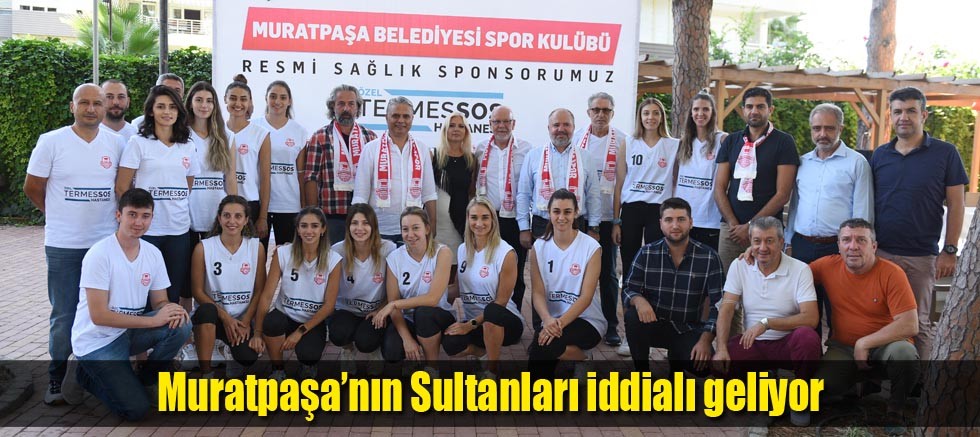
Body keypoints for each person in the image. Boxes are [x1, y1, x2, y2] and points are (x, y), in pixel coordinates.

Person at [24, 83, 126, 405]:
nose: (91, 109)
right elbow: (32, 187)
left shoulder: (117, 143)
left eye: (97, 103)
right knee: (64, 314)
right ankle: (56, 378)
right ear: (73, 107)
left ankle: (89, 376)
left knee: (106, 313)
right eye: (84, 103)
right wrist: (56, 214)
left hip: (105, 244)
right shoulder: (51, 141)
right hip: (64, 245)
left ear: (104, 107)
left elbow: (122, 187)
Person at [61, 188, 192, 421]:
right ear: (118, 215)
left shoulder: (153, 253)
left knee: (181, 325)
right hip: (97, 342)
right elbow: (99, 316)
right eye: (132, 214)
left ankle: (148, 380)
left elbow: (160, 300)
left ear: (151, 218)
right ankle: (83, 373)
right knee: (136, 410)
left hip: (128, 333)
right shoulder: (100, 254)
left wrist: (171, 310)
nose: (138, 222)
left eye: (145, 216)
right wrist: (154, 320)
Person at [871, 86, 967, 359]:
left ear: (923, 115)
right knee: (879, 319)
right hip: (881, 254)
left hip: (922, 257)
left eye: (911, 111)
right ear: (891, 116)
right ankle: (879, 378)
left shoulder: (946, 153)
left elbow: (957, 204)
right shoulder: (880, 155)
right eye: (898, 111)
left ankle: (923, 383)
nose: (904, 117)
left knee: (920, 324)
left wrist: (950, 250)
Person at [811, 219, 918, 432]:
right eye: (846, 240)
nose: (853, 246)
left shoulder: (892, 273)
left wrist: (865, 343)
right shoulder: (826, 266)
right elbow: (791, 274)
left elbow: (910, 324)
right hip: (843, 346)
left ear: (874, 246)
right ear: (838, 245)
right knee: (825, 385)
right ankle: (854, 389)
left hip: (886, 345)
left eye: (861, 240)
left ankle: (895, 410)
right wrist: (756, 251)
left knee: (905, 354)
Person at [713, 216, 821, 426]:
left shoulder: (800, 269)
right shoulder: (740, 265)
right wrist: (721, 348)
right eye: (757, 241)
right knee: (720, 366)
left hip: (788, 343)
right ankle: (765, 387)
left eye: (770, 241)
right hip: (753, 344)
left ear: (781, 242)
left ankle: (801, 399)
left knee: (808, 338)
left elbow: (811, 318)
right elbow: (726, 309)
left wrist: (767, 323)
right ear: (750, 242)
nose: (763, 247)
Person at [785, 103, 873, 336]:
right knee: (804, 312)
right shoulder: (802, 163)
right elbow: (795, 205)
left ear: (840, 129)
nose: (822, 134)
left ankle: (838, 355)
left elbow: (862, 212)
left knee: (840, 312)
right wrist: (788, 240)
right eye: (817, 128)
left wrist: (857, 248)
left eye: (829, 128)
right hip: (802, 246)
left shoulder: (856, 163)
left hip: (838, 248)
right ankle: (809, 356)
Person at [116, 85, 200, 309]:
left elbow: (187, 183)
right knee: (142, 292)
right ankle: (142, 332)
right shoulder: (138, 142)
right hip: (148, 231)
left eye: (172, 107)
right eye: (161, 106)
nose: (167, 112)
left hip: (178, 229)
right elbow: (122, 187)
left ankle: (166, 332)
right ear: (151, 111)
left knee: (171, 292)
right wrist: (137, 219)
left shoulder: (187, 146)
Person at [621, 198, 722, 375]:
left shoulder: (709, 257)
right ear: (661, 224)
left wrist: (705, 340)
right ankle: (641, 373)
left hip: (687, 328)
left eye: (681, 219)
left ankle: (676, 369)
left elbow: (719, 304)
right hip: (654, 324)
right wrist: (638, 300)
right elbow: (629, 288)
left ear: (691, 222)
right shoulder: (646, 253)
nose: (675, 225)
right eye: (669, 220)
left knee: (704, 367)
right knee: (633, 317)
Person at [612, 97, 679, 355]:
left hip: (658, 212)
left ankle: (652, 332)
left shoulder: (673, 145)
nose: (650, 117)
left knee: (656, 271)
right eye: (646, 113)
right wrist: (616, 220)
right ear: (639, 117)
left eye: (655, 113)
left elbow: (677, 180)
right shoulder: (628, 143)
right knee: (630, 270)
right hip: (631, 211)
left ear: (662, 117)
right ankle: (630, 335)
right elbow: (619, 184)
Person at [713, 87, 800, 273]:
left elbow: (783, 194)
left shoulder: (784, 142)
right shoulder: (731, 141)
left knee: (767, 281)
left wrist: (751, 226)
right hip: (731, 229)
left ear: (770, 109)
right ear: (743, 109)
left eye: (760, 106)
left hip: (768, 230)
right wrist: (734, 225)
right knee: (728, 280)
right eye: (749, 106)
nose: (754, 111)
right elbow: (719, 187)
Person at [253, 207, 342, 380]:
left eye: (314, 226)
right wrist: (257, 332)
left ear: (323, 229)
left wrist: (300, 331)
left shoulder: (333, 259)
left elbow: (329, 306)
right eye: (304, 226)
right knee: (271, 323)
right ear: (298, 229)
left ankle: (307, 365)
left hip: (311, 320)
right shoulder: (283, 253)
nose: (309, 231)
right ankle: (278, 369)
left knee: (309, 355)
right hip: (285, 314)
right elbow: (267, 295)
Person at [442, 198, 525, 379]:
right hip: (475, 323)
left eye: (485, 217)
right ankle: (483, 354)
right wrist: (432, 297)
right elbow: (457, 288)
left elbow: (500, 302)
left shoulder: (506, 253)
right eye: (474, 217)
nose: (479, 223)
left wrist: (468, 325)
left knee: (492, 312)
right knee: (451, 344)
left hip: (505, 321)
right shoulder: (463, 249)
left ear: (493, 220)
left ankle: (492, 370)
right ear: (467, 219)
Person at [527, 189, 605, 379]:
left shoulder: (591, 247)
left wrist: (557, 324)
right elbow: (537, 293)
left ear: (576, 212)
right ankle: (576, 360)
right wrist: (547, 320)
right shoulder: (539, 247)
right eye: (556, 211)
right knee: (540, 349)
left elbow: (586, 297)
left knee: (547, 344)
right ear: (549, 212)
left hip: (586, 320)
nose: (561, 217)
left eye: (567, 212)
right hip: (552, 319)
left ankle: (584, 358)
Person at [571, 92, 628, 347]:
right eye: (596, 110)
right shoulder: (576, 139)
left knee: (607, 274)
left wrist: (617, 221)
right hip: (579, 216)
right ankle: (574, 319)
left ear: (612, 113)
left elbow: (625, 184)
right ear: (588, 112)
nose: (601, 115)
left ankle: (611, 325)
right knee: (575, 271)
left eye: (606, 110)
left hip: (607, 218)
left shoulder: (623, 141)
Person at [189, 195, 266, 377]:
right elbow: (197, 291)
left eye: (238, 216)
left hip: (241, 318)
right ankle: (206, 372)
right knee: (206, 311)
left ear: (246, 220)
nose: (232, 221)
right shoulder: (203, 248)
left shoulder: (256, 247)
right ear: (219, 218)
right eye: (227, 215)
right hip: (215, 316)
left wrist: (246, 322)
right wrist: (225, 317)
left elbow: (259, 291)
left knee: (247, 357)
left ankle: (229, 351)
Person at [372, 207, 455, 375]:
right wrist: (407, 339)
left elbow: (432, 298)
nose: (410, 234)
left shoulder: (442, 253)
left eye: (415, 228)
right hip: (407, 318)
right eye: (405, 229)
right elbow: (394, 305)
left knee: (423, 313)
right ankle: (413, 358)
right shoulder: (395, 257)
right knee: (392, 351)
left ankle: (432, 368)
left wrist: (394, 304)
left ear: (427, 228)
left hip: (437, 315)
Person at [352, 97, 438, 243]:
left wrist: (432, 227)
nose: (401, 120)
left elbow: (428, 194)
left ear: (412, 118)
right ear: (386, 117)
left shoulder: (422, 149)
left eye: (406, 116)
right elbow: (361, 195)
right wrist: (359, 228)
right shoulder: (371, 149)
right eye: (395, 116)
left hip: (413, 231)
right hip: (379, 230)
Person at [303, 84, 379, 244]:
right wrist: (314, 216)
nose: (346, 108)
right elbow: (311, 178)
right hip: (331, 216)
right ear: (333, 107)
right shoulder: (320, 137)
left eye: (351, 104)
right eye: (341, 104)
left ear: (358, 107)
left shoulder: (370, 138)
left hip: (363, 218)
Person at [473, 105, 531, 313]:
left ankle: (513, 316)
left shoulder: (527, 150)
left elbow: (529, 188)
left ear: (513, 124)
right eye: (497, 122)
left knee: (515, 269)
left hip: (515, 218)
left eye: (506, 121)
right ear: (490, 124)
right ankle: (487, 314)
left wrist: (525, 226)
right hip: (488, 220)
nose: (502, 126)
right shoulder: (480, 150)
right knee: (487, 268)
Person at [330, 203, 397, 375]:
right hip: (346, 310)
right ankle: (347, 350)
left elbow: (393, 290)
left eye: (365, 223)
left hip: (376, 310)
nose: (360, 228)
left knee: (366, 342)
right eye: (355, 223)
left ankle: (375, 352)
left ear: (374, 226)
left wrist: (381, 310)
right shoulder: (337, 250)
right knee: (337, 333)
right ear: (348, 226)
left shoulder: (387, 249)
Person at [253, 80, 309, 247]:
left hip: (288, 204)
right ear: (266, 98)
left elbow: (300, 174)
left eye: (283, 97)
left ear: (289, 101)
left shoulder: (299, 131)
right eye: (273, 96)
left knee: (287, 257)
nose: (277, 101)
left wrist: (304, 206)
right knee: (256, 255)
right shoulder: (254, 126)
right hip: (258, 203)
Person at [186, 81, 237, 245]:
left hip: (216, 212)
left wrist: (234, 209)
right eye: (199, 100)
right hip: (187, 213)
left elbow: (231, 178)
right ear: (190, 103)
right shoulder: (181, 134)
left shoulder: (226, 136)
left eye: (209, 101)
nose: (204, 105)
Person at [675, 92, 727, 251]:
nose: (700, 113)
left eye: (705, 109)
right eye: (696, 109)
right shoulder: (683, 142)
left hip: (710, 220)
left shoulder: (722, 140)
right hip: (683, 220)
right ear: (691, 112)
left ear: (713, 113)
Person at [225, 74, 272, 243]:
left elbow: (265, 179)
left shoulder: (261, 134)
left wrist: (263, 217)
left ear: (250, 102)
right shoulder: (217, 130)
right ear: (225, 99)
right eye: (233, 98)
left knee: (251, 256)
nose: (238, 104)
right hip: (222, 204)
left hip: (250, 204)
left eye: (243, 99)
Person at [432, 111, 477, 254]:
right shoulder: (433, 156)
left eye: (461, 126)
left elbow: (472, 192)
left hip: (461, 222)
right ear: (445, 130)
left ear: (466, 131)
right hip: (438, 223)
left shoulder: (472, 159)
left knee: (459, 262)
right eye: (451, 125)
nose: (456, 129)